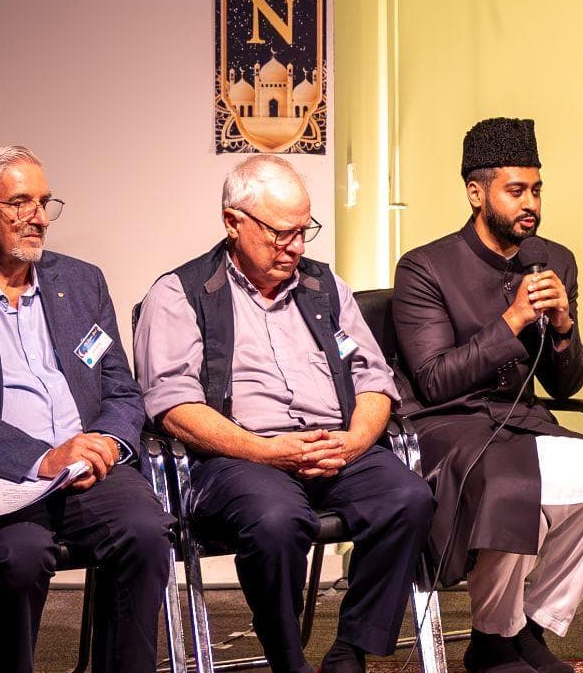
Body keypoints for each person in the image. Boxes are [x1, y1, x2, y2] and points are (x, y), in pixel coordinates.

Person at [135, 155, 435, 673]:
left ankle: (351, 650)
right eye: (281, 233)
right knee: (276, 521)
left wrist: (356, 441)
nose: (296, 247)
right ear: (233, 223)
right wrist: (267, 452)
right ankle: (287, 659)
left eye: (304, 231)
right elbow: (173, 407)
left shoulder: (324, 287)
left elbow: (373, 377)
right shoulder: (180, 294)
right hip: (239, 455)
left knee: (408, 498)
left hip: (333, 445)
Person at [0, 145, 173, 673]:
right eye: (19, 203)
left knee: (146, 532)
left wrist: (107, 442)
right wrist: (40, 457)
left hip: (85, 471)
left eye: (44, 202)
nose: (38, 217)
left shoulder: (82, 282)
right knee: (18, 557)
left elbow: (120, 388)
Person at [394, 117, 583, 673]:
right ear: (476, 193)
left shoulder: (556, 258)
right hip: (448, 427)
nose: (530, 204)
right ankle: (492, 642)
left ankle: (523, 626)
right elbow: (433, 381)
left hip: (524, 422)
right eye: (515, 190)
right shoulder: (425, 267)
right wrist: (510, 322)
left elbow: (566, 385)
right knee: (512, 489)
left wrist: (562, 326)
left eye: (536, 190)